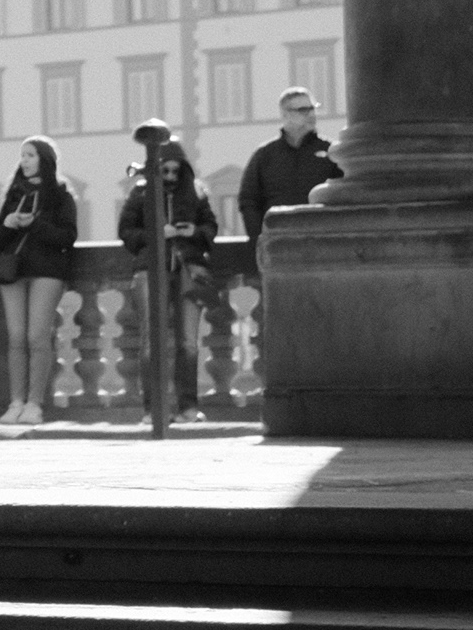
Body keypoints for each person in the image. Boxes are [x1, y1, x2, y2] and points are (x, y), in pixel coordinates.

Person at [116, 137, 222, 415]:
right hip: (151, 268)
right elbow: (126, 232)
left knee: (188, 341)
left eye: (176, 171)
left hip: (190, 268)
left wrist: (192, 232)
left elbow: (211, 227)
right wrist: (156, 234)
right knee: (152, 341)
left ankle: (188, 406)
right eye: (166, 171)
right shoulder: (140, 193)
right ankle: (154, 410)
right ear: (156, 170)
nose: (171, 176)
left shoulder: (197, 193)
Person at [0, 136, 78, 424]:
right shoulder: (14, 193)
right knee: (15, 337)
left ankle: (35, 403)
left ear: (45, 160)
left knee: (37, 336)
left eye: (30, 155)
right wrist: (7, 222)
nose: (24, 160)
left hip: (47, 271)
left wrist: (35, 224)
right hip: (13, 271)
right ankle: (15, 402)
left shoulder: (61, 195)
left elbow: (68, 236)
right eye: (22, 155)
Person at [234, 88, 341, 252]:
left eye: (313, 108)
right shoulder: (264, 155)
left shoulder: (331, 152)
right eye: (303, 110)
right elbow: (249, 200)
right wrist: (259, 239)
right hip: (277, 246)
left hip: (322, 245)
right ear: (285, 115)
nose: (311, 114)